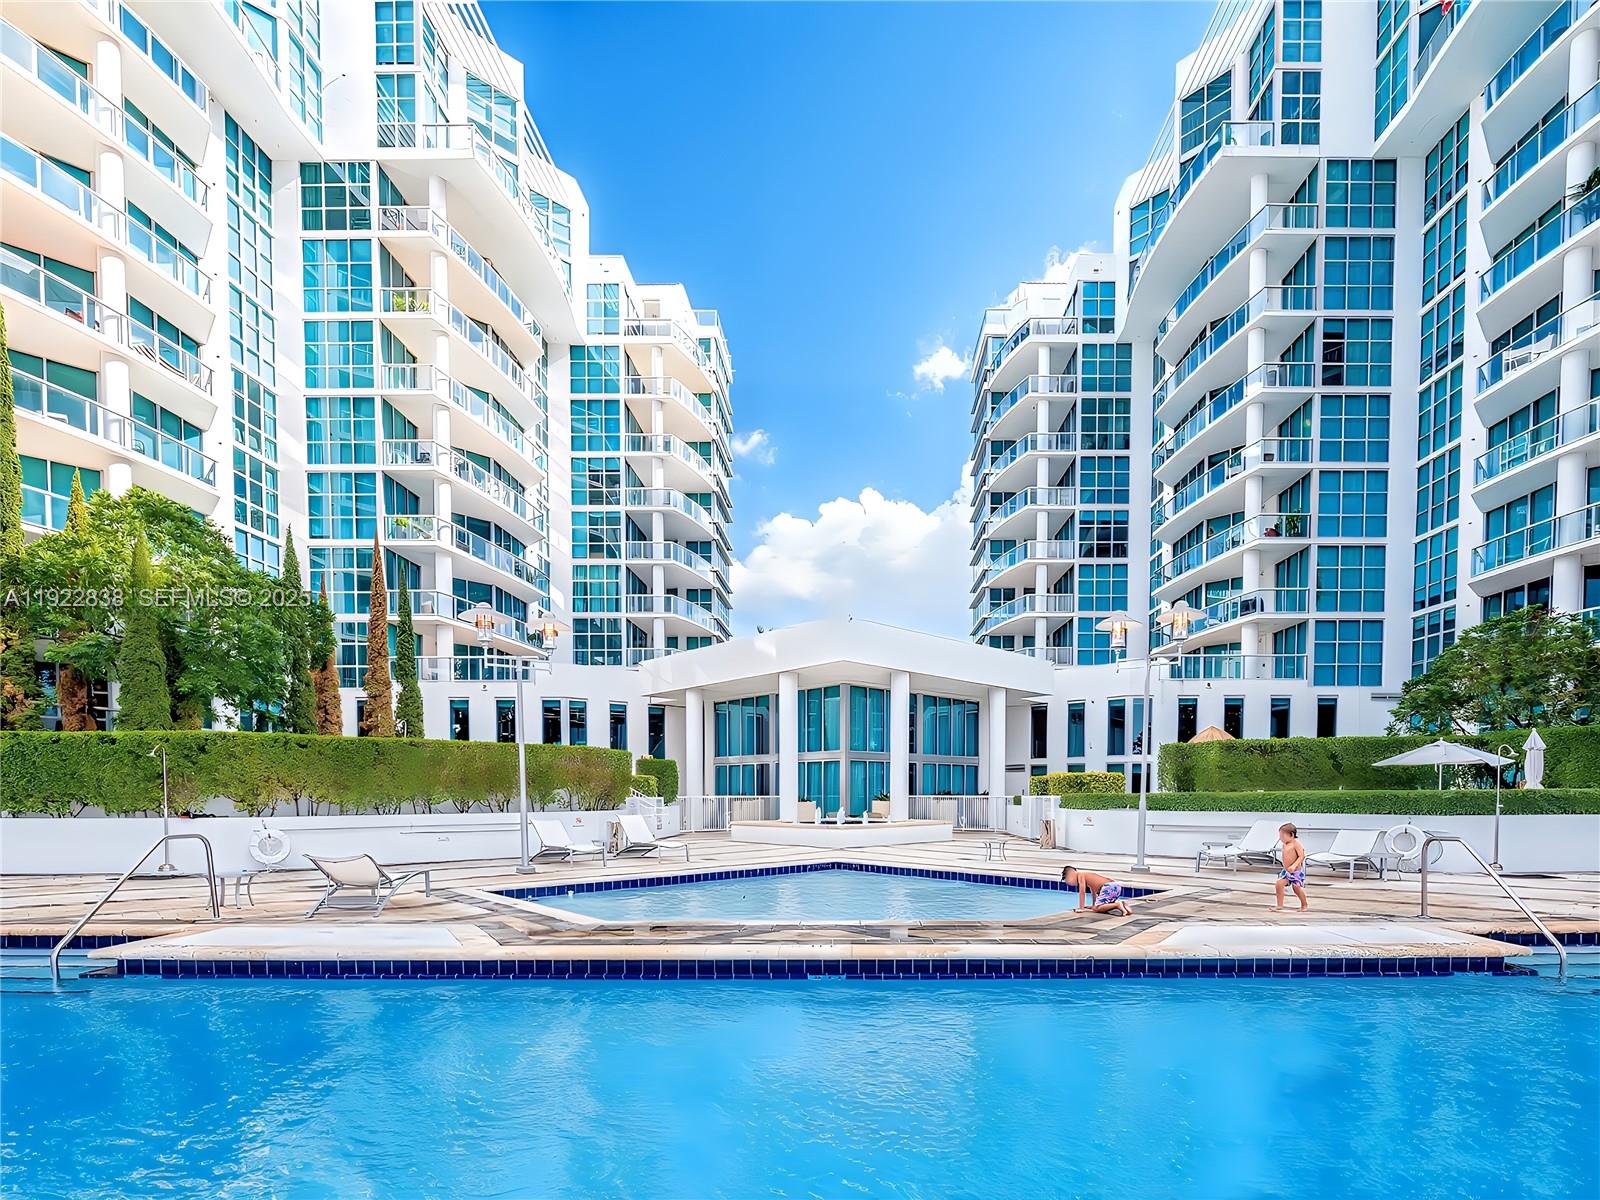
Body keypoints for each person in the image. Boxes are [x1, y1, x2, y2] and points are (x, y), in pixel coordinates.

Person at [1063, 865, 1134, 917]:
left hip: (1108, 887)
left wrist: (1081, 908)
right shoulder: (1087, 876)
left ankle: (1118, 904)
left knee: (1097, 909)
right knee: (1103, 908)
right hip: (1115, 886)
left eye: (1067, 880)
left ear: (1070, 874)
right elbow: (1093, 891)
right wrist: (1094, 905)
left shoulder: (1080, 875)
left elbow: (1082, 892)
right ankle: (1124, 906)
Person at [1274, 823, 1308, 912]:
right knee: (1279, 884)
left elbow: (1302, 856)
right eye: (1280, 836)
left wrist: (1294, 865)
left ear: (1292, 835)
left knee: (1296, 888)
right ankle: (1279, 905)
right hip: (1286, 871)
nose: (1281, 838)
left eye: (1283, 836)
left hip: (1296, 871)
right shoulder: (1285, 844)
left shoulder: (1296, 844)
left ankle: (1304, 905)